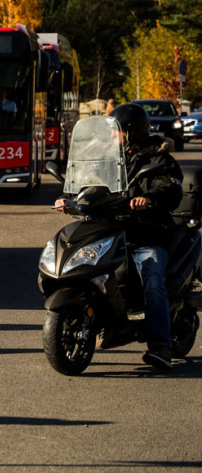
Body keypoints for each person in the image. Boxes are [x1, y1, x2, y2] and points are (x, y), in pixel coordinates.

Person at [54, 103, 183, 371]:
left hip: (147, 233)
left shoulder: (159, 160)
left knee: (152, 279)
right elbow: (88, 183)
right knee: (86, 268)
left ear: (132, 132)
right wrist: (69, 199)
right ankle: (100, 321)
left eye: (118, 132)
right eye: (112, 132)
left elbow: (171, 190)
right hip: (111, 230)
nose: (113, 137)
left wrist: (149, 199)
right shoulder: (106, 158)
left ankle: (161, 346)